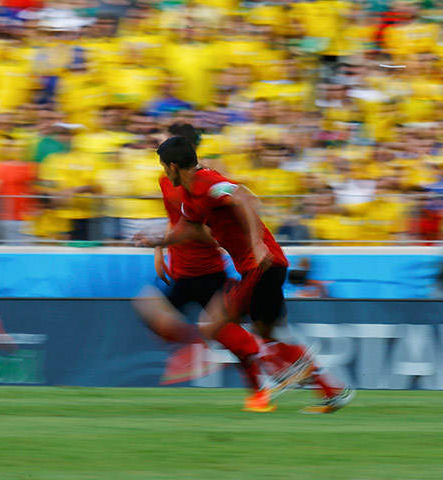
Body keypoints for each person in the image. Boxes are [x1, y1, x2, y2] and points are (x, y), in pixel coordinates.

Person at [138, 136, 354, 414]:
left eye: (164, 167)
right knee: (271, 336)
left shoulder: (206, 183)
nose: (165, 174)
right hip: (265, 266)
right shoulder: (192, 195)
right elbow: (190, 229)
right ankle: (331, 392)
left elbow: (245, 198)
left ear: (173, 166)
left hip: (260, 264)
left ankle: (284, 373)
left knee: (212, 324)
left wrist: (257, 243)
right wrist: (159, 242)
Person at [133, 123, 272, 412]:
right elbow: (174, 220)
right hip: (181, 269)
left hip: (208, 269)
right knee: (147, 307)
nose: (161, 141)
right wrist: (160, 248)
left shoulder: (204, 183)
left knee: (228, 334)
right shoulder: (168, 182)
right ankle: (198, 345)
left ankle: (260, 388)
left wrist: (185, 235)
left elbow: (206, 229)